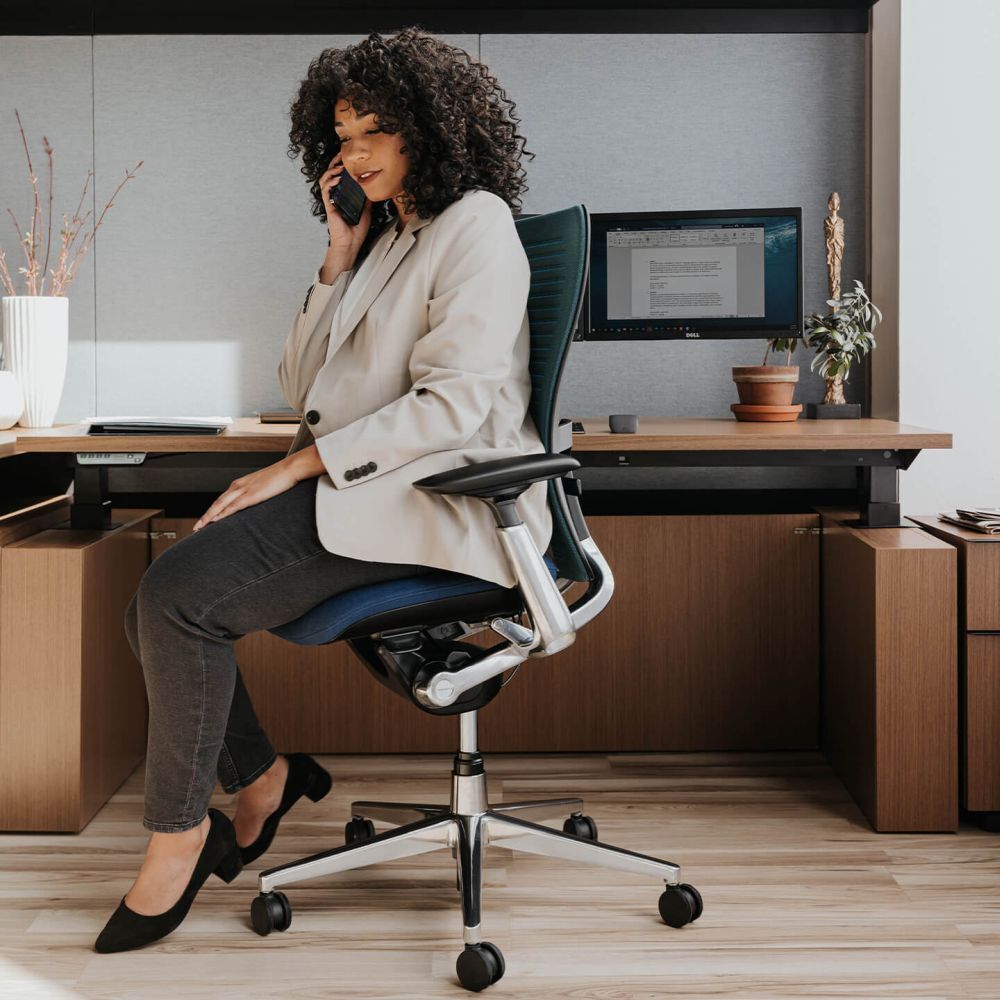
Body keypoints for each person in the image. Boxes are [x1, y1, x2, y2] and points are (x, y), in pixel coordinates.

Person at [94, 25, 552, 953]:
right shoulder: (388, 238)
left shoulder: (476, 226)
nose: (355, 155)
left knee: (173, 599)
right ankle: (260, 781)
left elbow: (455, 404)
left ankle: (181, 837)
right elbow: (307, 388)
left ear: (432, 126)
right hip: (369, 492)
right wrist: (338, 255)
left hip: (443, 507)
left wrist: (296, 465)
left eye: (375, 131)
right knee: (156, 607)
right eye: (343, 138)